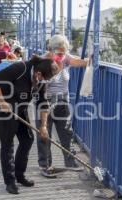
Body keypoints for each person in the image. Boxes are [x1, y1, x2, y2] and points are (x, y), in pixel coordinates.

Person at [0, 55, 59, 194]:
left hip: (19, 108)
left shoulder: (41, 81)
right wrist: (2, 102)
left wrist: (43, 126)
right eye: (45, 78)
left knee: (27, 139)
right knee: (8, 143)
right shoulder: (20, 68)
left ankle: (20, 175)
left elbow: (43, 103)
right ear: (38, 73)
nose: (45, 82)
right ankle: (10, 181)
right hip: (0, 108)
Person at [36, 34, 90, 178]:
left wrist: (91, 60)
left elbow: (78, 62)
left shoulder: (65, 58)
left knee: (66, 131)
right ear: (51, 50)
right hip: (46, 101)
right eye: (59, 52)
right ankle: (45, 165)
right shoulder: (43, 61)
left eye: (64, 51)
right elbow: (41, 84)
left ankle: (70, 161)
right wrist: (57, 69)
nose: (62, 55)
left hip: (63, 100)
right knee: (44, 133)